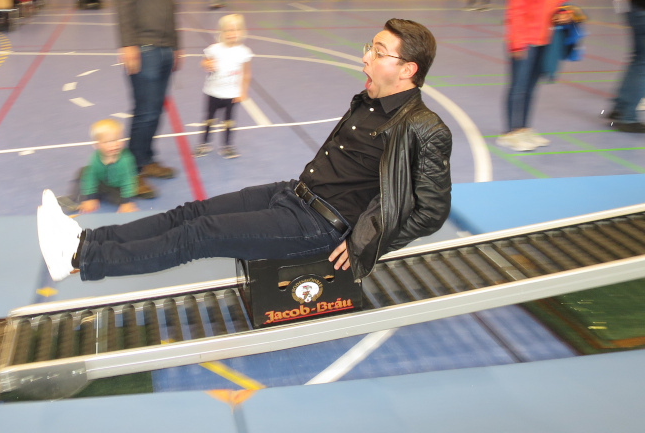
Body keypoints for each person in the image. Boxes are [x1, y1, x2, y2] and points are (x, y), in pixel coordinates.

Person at [36, 18, 452, 283]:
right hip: (295, 195)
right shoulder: (368, 100)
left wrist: (366, 243)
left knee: (198, 235)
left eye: (378, 52)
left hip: (320, 226)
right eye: (370, 46)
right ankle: (85, 238)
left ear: (407, 69)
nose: (365, 57)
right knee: (190, 213)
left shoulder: (424, 128)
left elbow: (430, 211)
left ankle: (80, 258)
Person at [117, 0, 185, 198]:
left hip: (165, 46)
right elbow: (124, 0)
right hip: (143, 46)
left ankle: (145, 160)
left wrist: (176, 44)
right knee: (145, 111)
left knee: (156, 109)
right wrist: (128, 43)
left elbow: (169, 4)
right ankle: (131, 174)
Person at [498, 0, 572, 152]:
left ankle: (524, 129)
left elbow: (563, 2)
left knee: (531, 87)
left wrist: (565, 13)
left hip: (548, 39)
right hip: (525, 39)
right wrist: (517, 42)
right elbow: (515, 9)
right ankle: (510, 133)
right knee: (518, 86)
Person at [594, 0, 645, 133]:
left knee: (638, 60)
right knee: (642, 63)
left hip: (635, 9)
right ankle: (627, 117)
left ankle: (619, 109)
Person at [194, 14, 253, 159]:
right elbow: (204, 62)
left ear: (241, 32)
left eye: (235, 30)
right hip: (213, 92)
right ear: (221, 32)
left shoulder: (244, 52)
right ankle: (204, 144)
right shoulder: (214, 49)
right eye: (227, 30)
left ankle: (227, 146)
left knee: (229, 122)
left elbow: (246, 73)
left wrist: (243, 92)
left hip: (231, 94)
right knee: (209, 119)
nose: (231, 33)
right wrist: (206, 64)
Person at [58, 119, 139, 213]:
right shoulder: (95, 157)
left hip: (117, 190)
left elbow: (128, 181)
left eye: (118, 140)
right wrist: (90, 197)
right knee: (84, 171)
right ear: (97, 145)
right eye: (107, 142)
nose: (114, 145)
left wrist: (126, 202)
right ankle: (73, 199)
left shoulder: (126, 159)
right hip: (101, 184)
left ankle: (96, 197)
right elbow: (91, 177)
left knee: (119, 199)